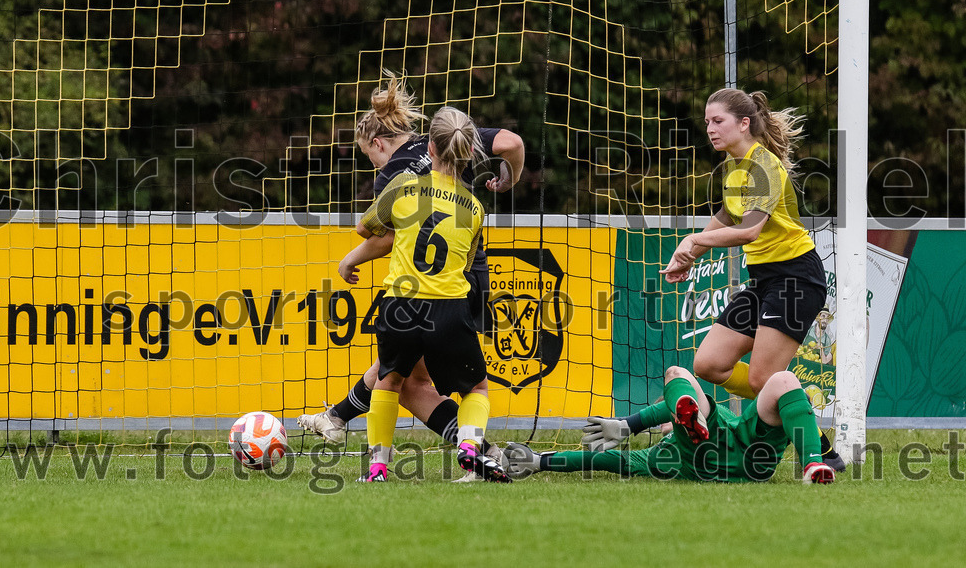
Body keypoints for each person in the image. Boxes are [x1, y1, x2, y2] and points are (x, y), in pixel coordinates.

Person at [297, 72, 523, 471]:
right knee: (408, 375)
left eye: (371, 158)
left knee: (404, 378)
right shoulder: (448, 138)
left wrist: (351, 258)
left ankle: (464, 454)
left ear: (378, 144)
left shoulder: (396, 176)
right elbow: (512, 143)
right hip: (469, 274)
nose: (375, 166)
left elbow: (383, 235)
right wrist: (509, 179)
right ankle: (337, 419)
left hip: (419, 288)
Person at [659, 87, 842, 470]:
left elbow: (748, 232)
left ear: (744, 123)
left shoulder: (764, 166)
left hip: (796, 278)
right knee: (708, 364)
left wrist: (694, 239)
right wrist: (690, 254)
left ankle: (821, 450)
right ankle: (789, 403)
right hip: (763, 281)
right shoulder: (733, 167)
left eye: (718, 121)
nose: (710, 128)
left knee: (763, 379)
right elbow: (727, 219)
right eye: (707, 121)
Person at [338, 105, 510, 482]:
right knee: (477, 387)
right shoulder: (477, 209)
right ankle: (468, 446)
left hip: (398, 306)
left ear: (429, 147)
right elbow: (465, 263)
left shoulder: (400, 186)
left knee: (389, 380)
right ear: (467, 153)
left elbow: (366, 229)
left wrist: (351, 259)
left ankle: (378, 469)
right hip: (448, 308)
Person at [502, 366, 835, 484]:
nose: (666, 421)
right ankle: (815, 463)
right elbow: (599, 459)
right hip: (752, 460)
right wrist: (538, 461)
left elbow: (599, 460)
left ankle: (812, 467)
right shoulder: (657, 457)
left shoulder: (657, 459)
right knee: (678, 375)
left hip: (725, 447)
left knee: (782, 380)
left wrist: (538, 462)